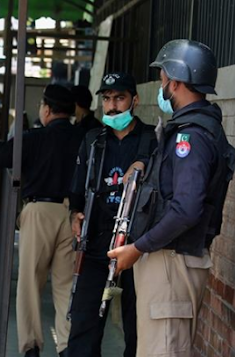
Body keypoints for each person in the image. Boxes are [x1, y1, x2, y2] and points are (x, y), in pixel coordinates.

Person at [107, 39, 235, 357]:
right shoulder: (191, 129)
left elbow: (186, 208)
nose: (161, 85)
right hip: (168, 261)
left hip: (172, 264)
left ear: (175, 81)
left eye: (163, 77)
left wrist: (137, 248)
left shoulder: (190, 136)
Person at [0, 84, 83, 357]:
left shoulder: (33, 138)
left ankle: (31, 347)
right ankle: (66, 347)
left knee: (30, 282)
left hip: (39, 211)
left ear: (47, 110)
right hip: (71, 214)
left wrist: (0, 139)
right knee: (65, 285)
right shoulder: (83, 137)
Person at [67, 73, 157, 357]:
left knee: (137, 330)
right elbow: (78, 189)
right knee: (84, 327)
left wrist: (144, 164)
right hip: (96, 244)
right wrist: (75, 215)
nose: (112, 105)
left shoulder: (152, 140)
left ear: (135, 100)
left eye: (119, 98)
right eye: (107, 99)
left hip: (138, 249)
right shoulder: (93, 140)